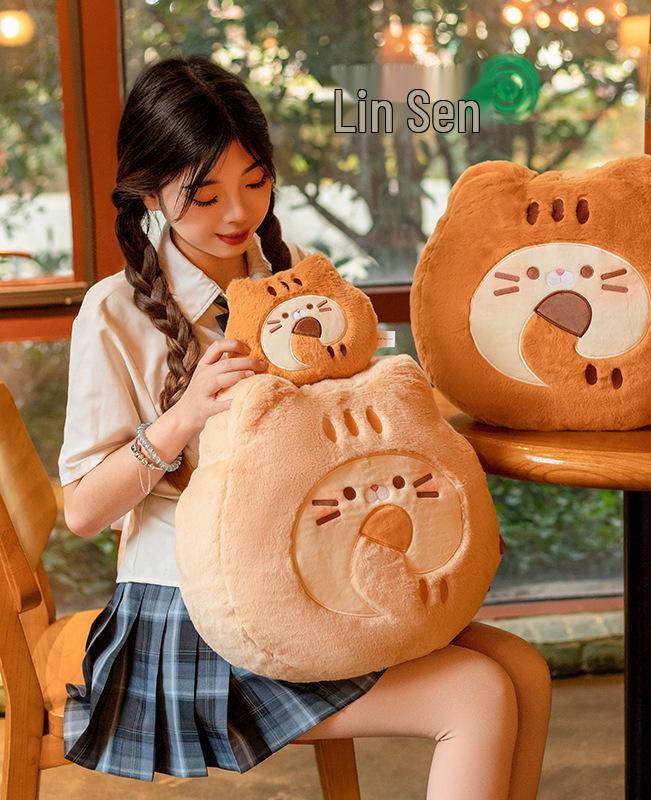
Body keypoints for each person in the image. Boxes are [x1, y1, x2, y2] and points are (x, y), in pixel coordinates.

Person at [58, 53, 552, 799]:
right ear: (149, 191)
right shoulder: (114, 312)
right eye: (205, 195)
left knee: (524, 672)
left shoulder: (294, 282)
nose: (237, 214)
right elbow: (84, 511)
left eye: (255, 183)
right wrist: (187, 413)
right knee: (475, 694)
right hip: (191, 614)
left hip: (312, 574)